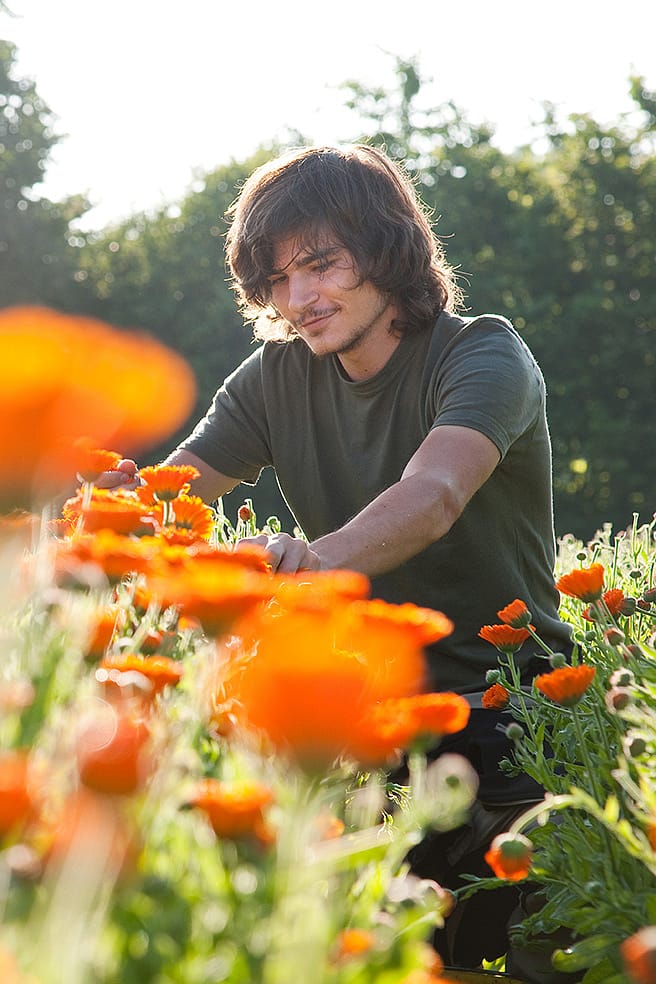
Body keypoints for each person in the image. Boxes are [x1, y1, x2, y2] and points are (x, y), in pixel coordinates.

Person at [104, 144, 572, 973]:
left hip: (511, 708)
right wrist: (89, 506)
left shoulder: (483, 354)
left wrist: (310, 562)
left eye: (320, 265)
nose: (299, 299)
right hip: (354, 715)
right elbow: (168, 496)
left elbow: (433, 494)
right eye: (277, 281)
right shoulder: (274, 376)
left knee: (521, 954)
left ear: (388, 247)